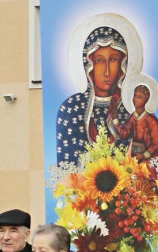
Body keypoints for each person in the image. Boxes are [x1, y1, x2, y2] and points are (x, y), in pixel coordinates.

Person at [56, 26, 132, 165]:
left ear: (123, 64)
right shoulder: (72, 108)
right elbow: (67, 165)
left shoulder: (131, 107)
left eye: (114, 59)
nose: (107, 71)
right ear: (88, 64)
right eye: (99, 60)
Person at [119, 84, 158, 162]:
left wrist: (143, 155)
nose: (135, 99)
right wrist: (115, 121)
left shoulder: (151, 120)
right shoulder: (133, 117)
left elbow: (156, 145)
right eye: (135, 95)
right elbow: (125, 134)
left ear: (146, 100)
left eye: (139, 97)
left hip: (148, 160)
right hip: (136, 156)